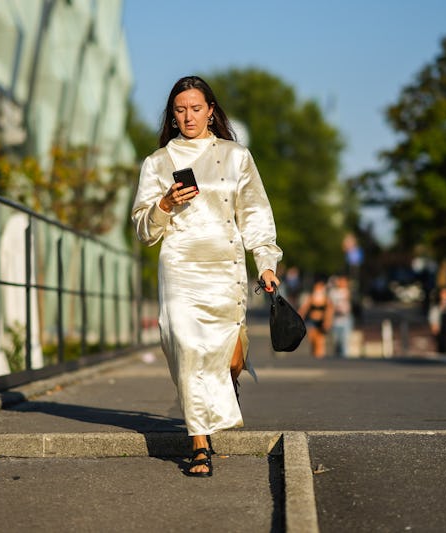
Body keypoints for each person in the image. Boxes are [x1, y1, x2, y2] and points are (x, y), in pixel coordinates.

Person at [130, 75, 282, 477]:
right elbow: (144, 231)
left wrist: (265, 262)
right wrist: (163, 204)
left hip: (224, 266)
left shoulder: (236, 156)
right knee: (187, 350)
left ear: (211, 111)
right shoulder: (158, 162)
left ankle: (226, 382)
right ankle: (199, 445)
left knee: (228, 359)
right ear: (172, 115)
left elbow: (255, 214)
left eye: (196, 108)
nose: (188, 116)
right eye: (180, 110)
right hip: (180, 265)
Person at [297, 277, 334, 359]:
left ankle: (320, 355)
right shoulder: (311, 297)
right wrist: (299, 317)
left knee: (320, 339)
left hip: (321, 320)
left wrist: (328, 321)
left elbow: (329, 310)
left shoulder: (325, 298)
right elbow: (304, 308)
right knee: (312, 338)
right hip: (312, 320)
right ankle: (314, 353)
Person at [328, 274, 353, 358]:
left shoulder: (346, 291)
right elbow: (330, 306)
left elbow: (348, 297)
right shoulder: (333, 292)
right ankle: (337, 358)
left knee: (345, 341)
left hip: (345, 318)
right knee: (336, 341)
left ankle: (344, 359)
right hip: (335, 319)